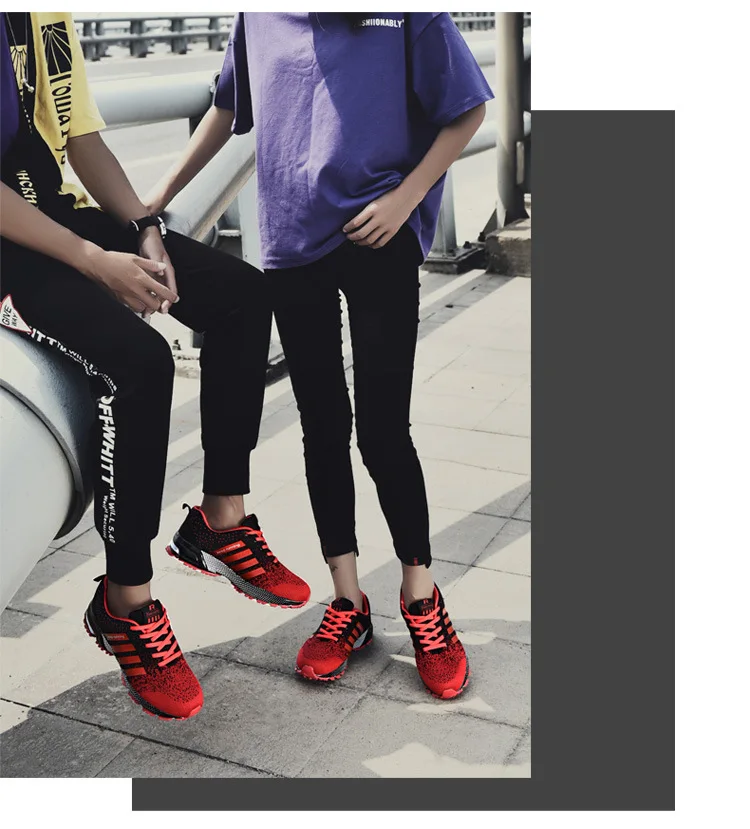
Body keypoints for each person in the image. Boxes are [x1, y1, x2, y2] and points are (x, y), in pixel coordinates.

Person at [148, 11, 493, 700]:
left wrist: (406, 199)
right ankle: (347, 602)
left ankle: (421, 597)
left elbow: (467, 109)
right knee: (323, 428)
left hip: (380, 235)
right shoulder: (258, 14)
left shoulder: (407, 12)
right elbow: (227, 109)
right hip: (292, 245)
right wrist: (153, 200)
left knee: (384, 431)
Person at [0, 12, 310, 721]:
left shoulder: (45, 14)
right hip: (8, 250)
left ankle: (220, 518)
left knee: (241, 297)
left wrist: (143, 229)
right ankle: (126, 601)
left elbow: (81, 139)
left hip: (58, 217)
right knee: (140, 362)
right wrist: (94, 262)